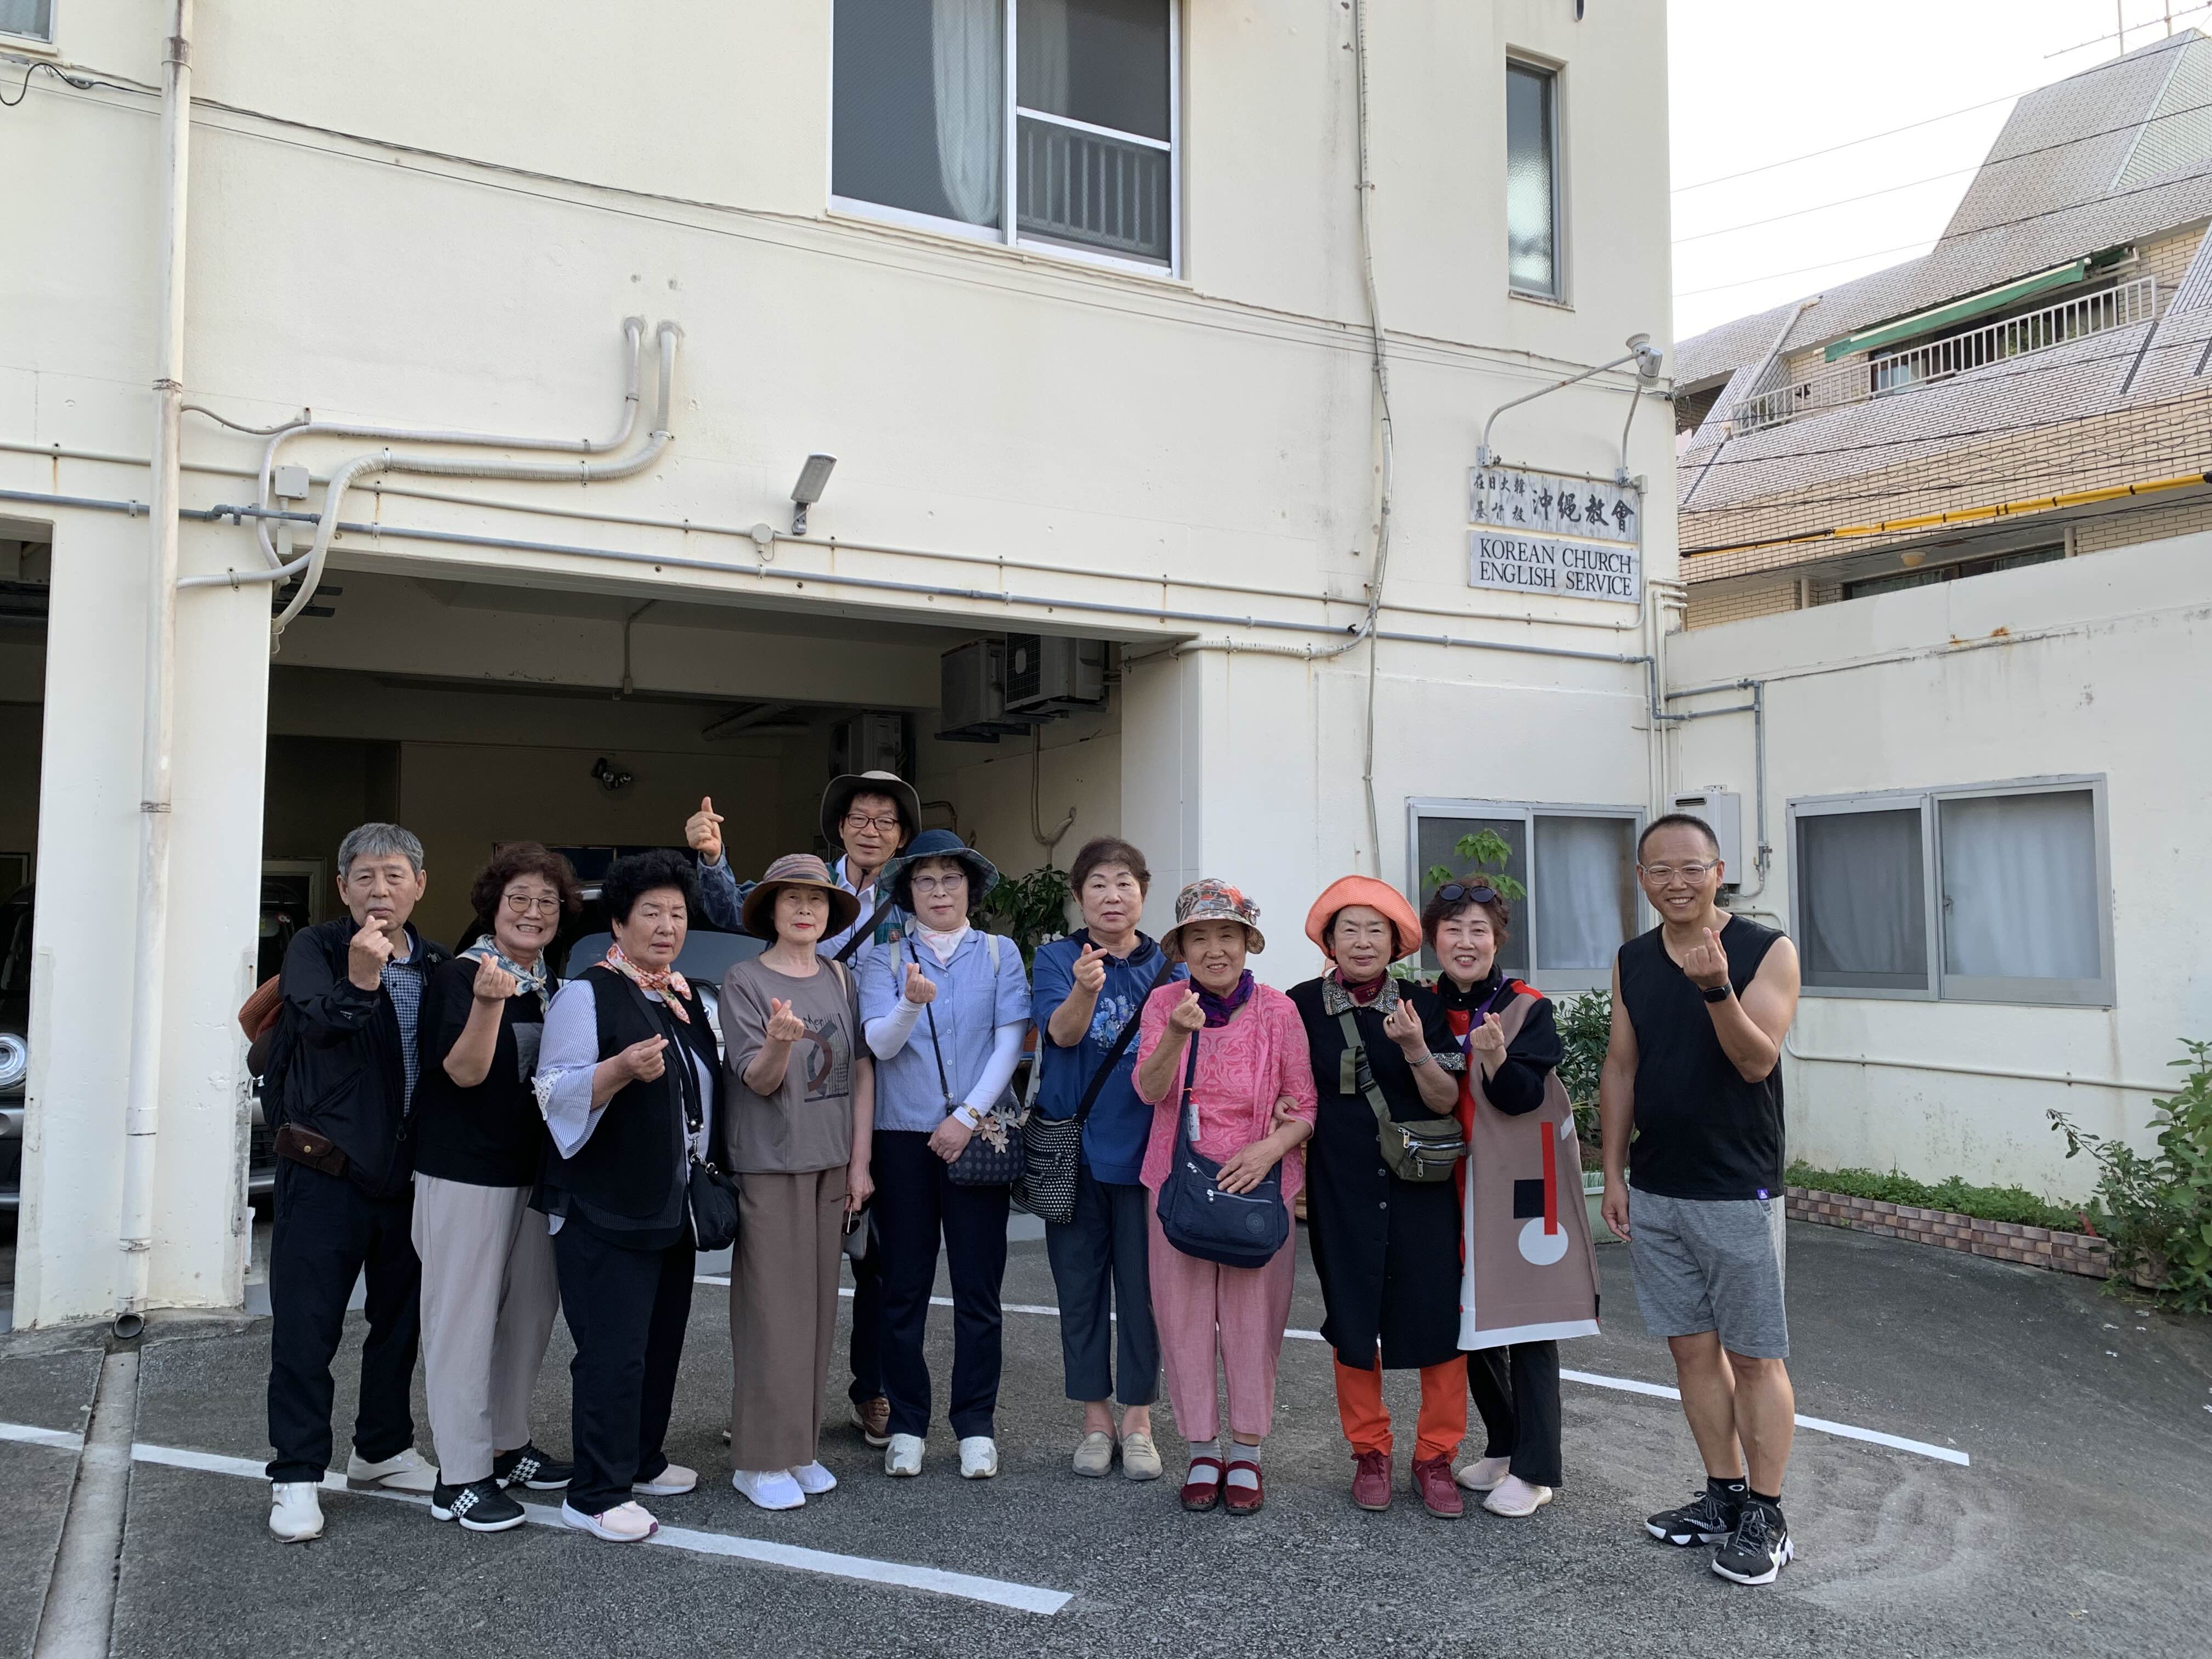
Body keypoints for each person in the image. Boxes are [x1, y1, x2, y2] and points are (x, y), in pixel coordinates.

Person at [688, 767, 918, 1446]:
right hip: (788, 1100)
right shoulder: (806, 886)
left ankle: (869, 1389)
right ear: (840, 826)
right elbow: (732, 907)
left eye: (886, 821)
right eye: (860, 818)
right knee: (775, 1284)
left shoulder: (909, 902)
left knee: (875, 1261)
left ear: (901, 836)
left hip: (874, 1092)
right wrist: (712, 858)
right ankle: (770, 1416)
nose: (872, 830)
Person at [1600, 812, 1802, 1585]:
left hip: (1736, 1186)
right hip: (1659, 1186)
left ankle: (1768, 1515)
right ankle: (1723, 1495)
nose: (1676, 882)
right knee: (1690, 1350)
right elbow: (1621, 1067)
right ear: (1642, 879)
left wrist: (1716, 988)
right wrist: (1614, 1172)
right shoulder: (1633, 959)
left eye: (1692, 868)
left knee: (1753, 1355)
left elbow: (1757, 1062)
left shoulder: (1765, 951)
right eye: (1660, 870)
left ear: (1719, 872)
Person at [264, 823, 447, 1544]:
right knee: (306, 1329)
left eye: (394, 875)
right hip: (324, 1171)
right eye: (365, 877)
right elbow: (318, 1027)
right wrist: (362, 976)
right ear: (342, 888)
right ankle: (296, 1473)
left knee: (400, 1323)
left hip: (408, 1176)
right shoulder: (316, 949)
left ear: (419, 885)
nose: (380, 890)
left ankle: (383, 1447)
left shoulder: (436, 963)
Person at [533, 849, 716, 1542]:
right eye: (651, 913)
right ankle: (595, 1492)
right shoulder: (588, 994)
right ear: (618, 923)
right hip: (601, 1205)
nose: (667, 926)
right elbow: (553, 1091)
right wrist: (616, 1070)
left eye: (677, 914)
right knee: (612, 1352)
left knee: (659, 1341)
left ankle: (640, 1458)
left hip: (667, 1203)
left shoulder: (682, 997)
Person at [1132, 879, 1316, 1516]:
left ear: (1247, 943)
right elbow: (1148, 1090)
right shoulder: (1165, 1004)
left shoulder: (1279, 1011)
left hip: (1260, 1188)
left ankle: (1247, 1452)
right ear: (1182, 949)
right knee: (1181, 1317)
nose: (1215, 949)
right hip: (1178, 1183)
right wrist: (1175, 1035)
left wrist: (1269, 1149)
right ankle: (1202, 1451)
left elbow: (1306, 1106)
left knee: (1253, 1320)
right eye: (1200, 938)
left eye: (1227, 936)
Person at [413, 843, 582, 1533]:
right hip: (464, 1173)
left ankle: (508, 1444)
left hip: (533, 1173)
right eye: (520, 899)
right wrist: (488, 1003)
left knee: (530, 1312)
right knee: (463, 1320)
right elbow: (464, 1073)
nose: (533, 912)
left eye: (547, 901)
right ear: (493, 906)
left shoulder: (553, 985)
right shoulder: (461, 977)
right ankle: (459, 1475)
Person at [1289, 877, 1469, 1519]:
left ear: (1395, 943)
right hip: (1339, 1187)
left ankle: (1436, 1456)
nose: (1362, 942)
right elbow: (1285, 1088)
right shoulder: (1300, 1005)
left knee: (1439, 1319)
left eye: (1375, 930)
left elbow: (1447, 1100)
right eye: (1349, 930)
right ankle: (1370, 1451)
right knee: (1352, 1316)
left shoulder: (1424, 1004)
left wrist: (1415, 1047)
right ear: (1330, 941)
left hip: (1421, 1188)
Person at [858, 828, 1030, 1479]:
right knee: (902, 1286)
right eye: (925, 880)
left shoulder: (999, 954)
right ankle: (907, 1423)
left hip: (977, 1134)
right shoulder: (884, 956)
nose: (939, 891)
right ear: (908, 891)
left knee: (978, 1288)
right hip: (900, 1137)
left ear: (970, 888)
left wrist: (966, 1116)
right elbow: (879, 1044)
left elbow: (1010, 1042)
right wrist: (909, 1003)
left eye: (951, 879)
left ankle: (976, 1424)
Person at [1426, 878, 1600, 1520]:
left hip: (1520, 1190)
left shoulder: (1528, 1007)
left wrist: (1497, 1058)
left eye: (1479, 930)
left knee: (1529, 1324)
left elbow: (1524, 1098)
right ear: (1434, 940)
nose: (1465, 942)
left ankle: (1537, 1468)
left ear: (1498, 940)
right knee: (1469, 1321)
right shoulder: (1421, 1007)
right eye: (1453, 929)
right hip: (1446, 1183)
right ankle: (1503, 1445)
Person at [718, 855, 876, 1510]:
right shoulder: (745, 980)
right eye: (792, 899)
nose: (805, 909)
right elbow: (756, 1078)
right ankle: (759, 1459)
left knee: (814, 1312)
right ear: (772, 911)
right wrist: (780, 1043)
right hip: (770, 1162)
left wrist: (859, 1163)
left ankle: (799, 1446)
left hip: (830, 1161)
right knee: (771, 1314)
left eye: (817, 899)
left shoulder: (839, 975)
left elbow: (861, 1070)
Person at [1030, 837, 1177, 1483]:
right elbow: (1061, 1034)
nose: (1112, 896)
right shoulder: (1057, 958)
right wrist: (1084, 990)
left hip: (1150, 1157)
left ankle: (1139, 1421)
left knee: (1144, 1294)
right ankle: (1095, 1421)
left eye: (1124, 883)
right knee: (1080, 1289)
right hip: (1077, 1155)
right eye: (1098, 884)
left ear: (1142, 893)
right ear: (1079, 895)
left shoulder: (1170, 967)